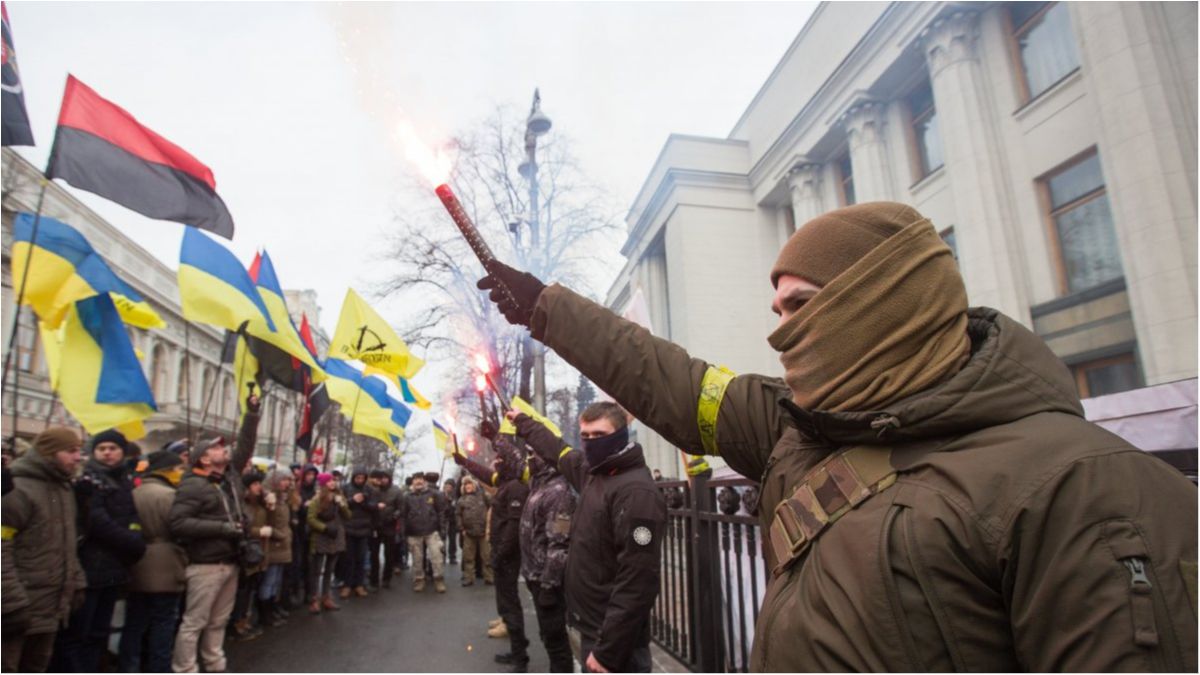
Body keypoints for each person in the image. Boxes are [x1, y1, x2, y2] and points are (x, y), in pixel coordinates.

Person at [480, 201, 1200, 671]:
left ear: (881, 304)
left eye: (800, 306)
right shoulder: (799, 431)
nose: (780, 330)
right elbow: (669, 377)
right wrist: (547, 307)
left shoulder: (1085, 487)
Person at [509, 403, 665, 673]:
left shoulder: (638, 494)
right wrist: (523, 422)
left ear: (620, 435)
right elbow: (557, 450)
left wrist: (609, 651)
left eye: (599, 434)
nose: (592, 442)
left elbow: (639, 579)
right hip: (593, 627)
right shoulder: (594, 475)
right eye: (586, 436)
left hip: (616, 642)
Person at [168, 392, 261, 673]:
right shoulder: (192, 485)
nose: (225, 450)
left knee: (218, 620)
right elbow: (179, 523)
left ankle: (214, 662)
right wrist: (223, 528)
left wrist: (252, 414)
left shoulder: (229, 477)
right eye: (217, 448)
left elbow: (245, 444)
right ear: (204, 460)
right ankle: (185, 668)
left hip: (230, 561)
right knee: (194, 621)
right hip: (205, 565)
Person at [52, 429, 147, 672]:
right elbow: (97, 522)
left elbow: (132, 516)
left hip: (114, 568)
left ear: (122, 452)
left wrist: (135, 534)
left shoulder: (124, 480)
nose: (107, 453)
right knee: (78, 633)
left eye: (112, 448)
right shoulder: (88, 480)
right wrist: (132, 541)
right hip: (90, 568)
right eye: (101, 448)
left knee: (99, 632)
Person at [1, 428, 87, 673]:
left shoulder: (63, 488)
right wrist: (11, 601)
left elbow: (66, 542)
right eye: (71, 451)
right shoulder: (16, 490)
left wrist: (77, 581)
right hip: (19, 606)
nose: (78, 457)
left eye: (79, 451)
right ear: (49, 453)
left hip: (50, 606)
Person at [456, 438, 530, 671]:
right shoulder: (505, 482)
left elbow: (512, 526)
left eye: (500, 459)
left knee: (511, 604)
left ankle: (521, 657)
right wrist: (465, 462)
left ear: (510, 463)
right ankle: (517, 649)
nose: (495, 462)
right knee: (506, 603)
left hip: (507, 556)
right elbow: (486, 475)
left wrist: (499, 555)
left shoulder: (516, 486)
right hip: (500, 554)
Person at [119, 450, 188, 673]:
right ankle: (159, 667)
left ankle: (128, 666)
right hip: (166, 564)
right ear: (167, 471)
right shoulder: (168, 495)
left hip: (137, 560)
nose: (181, 473)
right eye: (178, 469)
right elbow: (178, 528)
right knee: (163, 622)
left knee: (135, 622)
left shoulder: (134, 491)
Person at [518, 447, 577, 672]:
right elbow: (516, 466)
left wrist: (549, 585)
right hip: (536, 575)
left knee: (555, 640)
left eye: (534, 454)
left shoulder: (558, 493)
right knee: (548, 636)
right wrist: (496, 438)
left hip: (547, 580)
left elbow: (559, 544)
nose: (529, 458)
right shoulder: (540, 484)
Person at [306, 473, 350, 614]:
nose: (333, 483)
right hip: (321, 537)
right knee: (316, 570)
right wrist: (324, 528)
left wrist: (342, 504)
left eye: (334, 480)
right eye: (330, 481)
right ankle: (314, 599)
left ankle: (326, 597)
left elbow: (348, 515)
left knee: (330, 569)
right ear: (324, 483)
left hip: (336, 536)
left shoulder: (339, 497)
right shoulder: (317, 499)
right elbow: (311, 518)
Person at [399, 473, 447, 593]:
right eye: (416, 479)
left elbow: (441, 513)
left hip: (432, 531)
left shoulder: (434, 494)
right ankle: (419, 580)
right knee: (417, 559)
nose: (418, 482)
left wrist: (442, 530)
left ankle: (439, 580)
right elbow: (403, 516)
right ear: (412, 482)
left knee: (437, 557)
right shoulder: (406, 496)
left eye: (420, 479)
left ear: (424, 481)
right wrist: (402, 532)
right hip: (414, 532)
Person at [341, 466, 376, 598]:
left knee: (361, 558)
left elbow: (374, 506)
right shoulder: (346, 488)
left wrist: (364, 502)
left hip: (364, 528)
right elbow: (341, 504)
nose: (360, 480)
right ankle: (347, 585)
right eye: (358, 478)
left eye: (362, 478)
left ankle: (359, 584)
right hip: (349, 527)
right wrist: (352, 500)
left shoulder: (369, 490)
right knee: (348, 558)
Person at [369, 470, 403, 590]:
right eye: (380, 478)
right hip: (375, 526)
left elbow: (401, 508)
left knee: (389, 554)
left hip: (390, 526)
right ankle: (373, 580)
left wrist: (394, 516)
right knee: (374, 554)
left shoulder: (396, 491)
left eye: (385, 478)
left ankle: (386, 579)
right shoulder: (373, 490)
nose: (382, 480)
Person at [455, 477, 492, 586]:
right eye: (466, 485)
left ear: (474, 485)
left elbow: (493, 507)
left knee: (487, 556)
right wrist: (461, 528)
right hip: (469, 533)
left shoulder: (484, 496)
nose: (468, 486)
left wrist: (490, 527)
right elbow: (457, 515)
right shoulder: (461, 500)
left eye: (470, 484)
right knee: (468, 557)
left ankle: (489, 577)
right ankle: (469, 578)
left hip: (483, 532)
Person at [441, 479, 459, 566]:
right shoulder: (440, 495)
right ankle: (442, 556)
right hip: (443, 521)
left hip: (453, 521)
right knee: (442, 540)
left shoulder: (455, 496)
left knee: (452, 540)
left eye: (450, 486)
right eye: (446, 485)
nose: (448, 487)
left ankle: (452, 556)